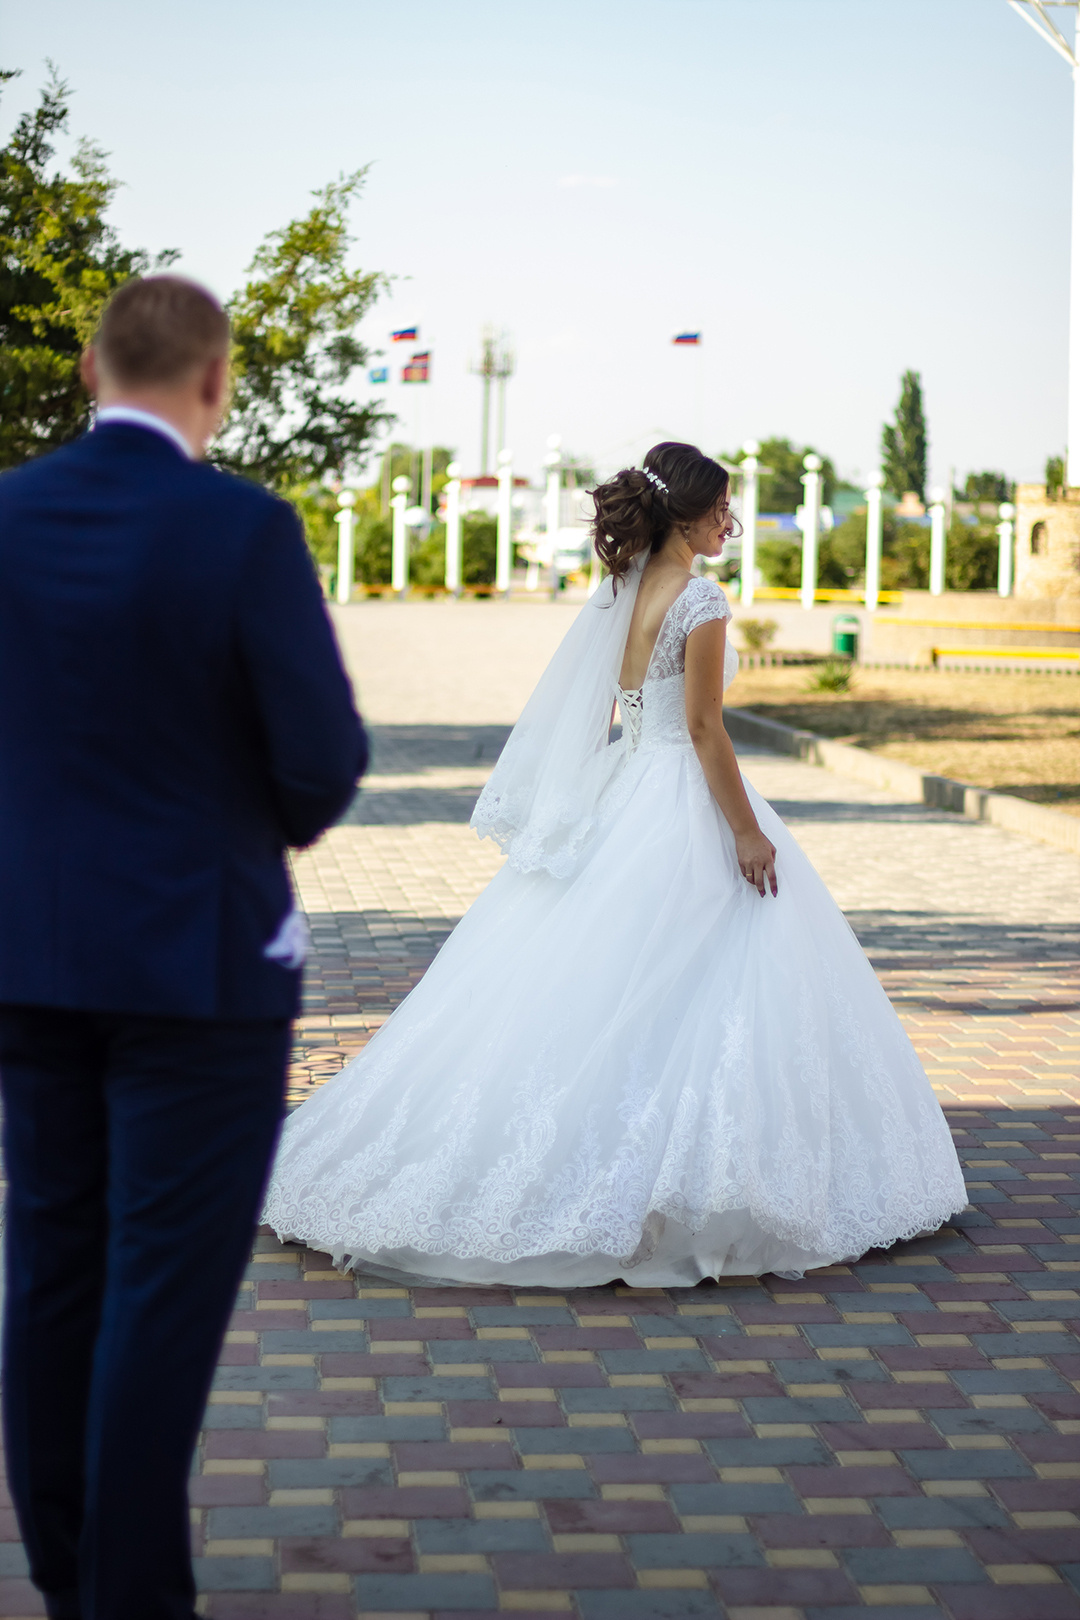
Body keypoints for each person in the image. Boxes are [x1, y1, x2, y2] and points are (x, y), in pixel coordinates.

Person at [264, 440, 965, 1288]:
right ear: (688, 513)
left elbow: (613, 710)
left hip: (628, 789)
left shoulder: (626, 590)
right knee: (696, 980)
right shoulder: (700, 599)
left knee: (614, 985)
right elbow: (706, 731)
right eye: (719, 509)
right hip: (679, 796)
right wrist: (746, 831)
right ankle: (668, 1181)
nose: (728, 522)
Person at [0, 275, 366, 1620]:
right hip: (200, 975)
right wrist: (230, 828)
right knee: (158, 1293)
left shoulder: (4, 514)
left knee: (50, 1274)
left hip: (28, 961)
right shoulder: (245, 530)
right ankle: (132, 1601)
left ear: (92, 369)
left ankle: (68, 1577)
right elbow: (323, 762)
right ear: (215, 383)